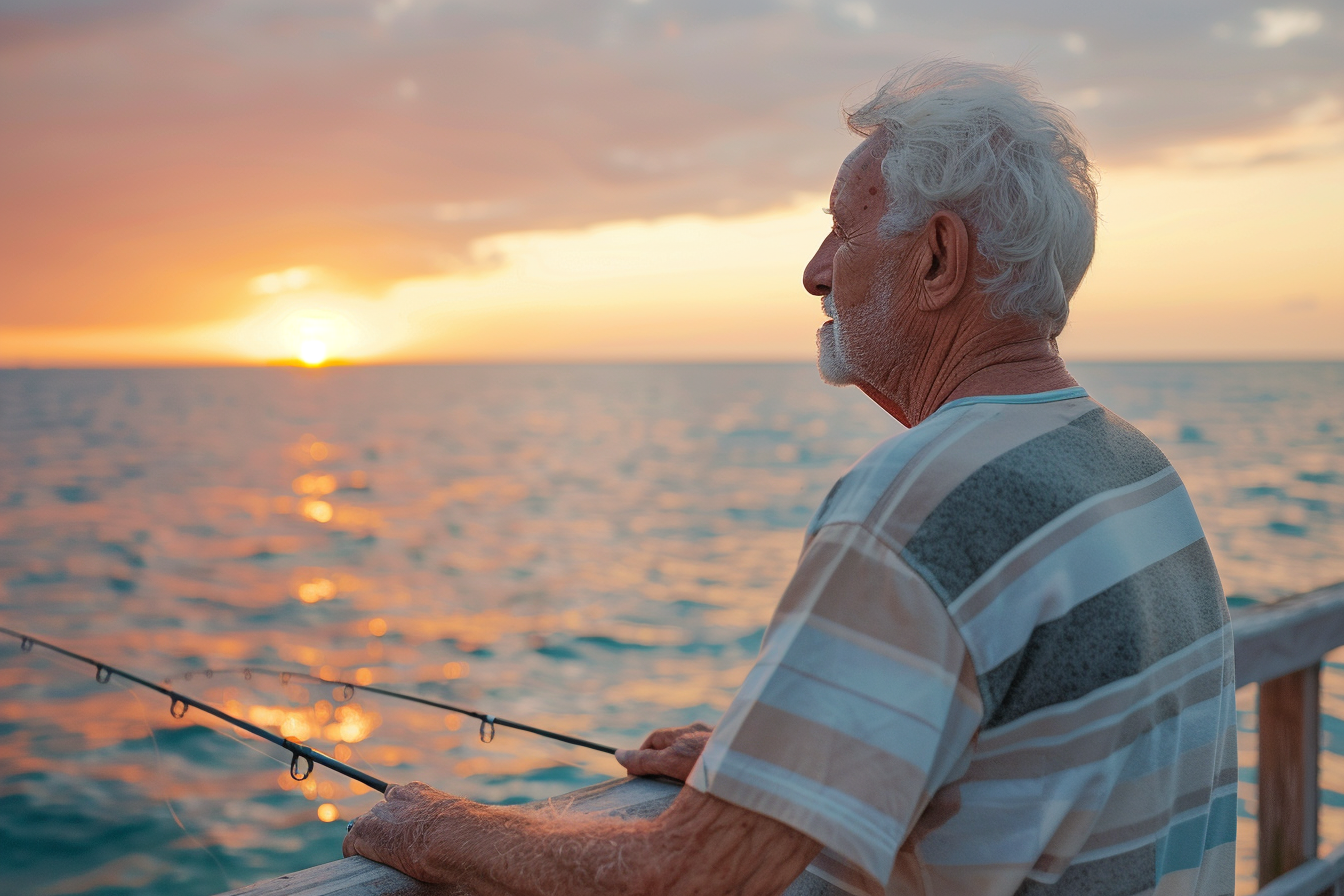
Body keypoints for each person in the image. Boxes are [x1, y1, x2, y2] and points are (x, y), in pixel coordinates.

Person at [343, 60, 1237, 896]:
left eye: (842, 231)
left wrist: (434, 831)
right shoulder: (1133, 472)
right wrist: (780, 778)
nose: (814, 273)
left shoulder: (918, 503)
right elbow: (1041, 773)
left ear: (936, 259)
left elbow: (692, 878)